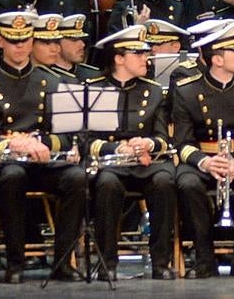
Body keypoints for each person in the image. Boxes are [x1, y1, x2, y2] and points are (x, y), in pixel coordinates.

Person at [0, 12, 84, 282]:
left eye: (25, 39)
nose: (20, 46)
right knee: (12, 176)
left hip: (44, 160)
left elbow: (66, 137)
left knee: (76, 176)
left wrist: (38, 142)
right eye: (13, 40)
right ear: (0, 41)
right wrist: (16, 144)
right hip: (8, 162)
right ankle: (16, 262)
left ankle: (64, 261)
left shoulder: (54, 81)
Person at [171, 22, 234, 278]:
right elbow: (182, 141)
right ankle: (203, 259)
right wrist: (205, 162)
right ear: (217, 59)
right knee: (187, 183)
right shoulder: (187, 91)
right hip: (202, 160)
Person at [86, 24, 177, 279]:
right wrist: (117, 147)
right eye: (138, 54)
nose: (145, 59)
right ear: (118, 58)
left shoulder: (154, 90)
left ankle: (161, 261)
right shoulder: (95, 88)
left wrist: (148, 144)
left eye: (146, 53)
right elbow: (86, 140)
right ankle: (108, 263)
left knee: (164, 180)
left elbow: (162, 138)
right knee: (106, 183)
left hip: (145, 161)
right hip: (111, 161)